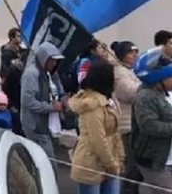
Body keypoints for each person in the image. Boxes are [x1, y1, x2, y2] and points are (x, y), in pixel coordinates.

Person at [69, 60, 124, 194]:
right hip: (90, 162)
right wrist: (111, 164)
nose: (116, 80)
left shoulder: (109, 99)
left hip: (110, 158)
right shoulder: (92, 105)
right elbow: (97, 139)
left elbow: (115, 132)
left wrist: (120, 157)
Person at [20, 41, 67, 172]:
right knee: (49, 167)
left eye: (56, 61)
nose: (54, 64)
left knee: (44, 164)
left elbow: (60, 91)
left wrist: (64, 100)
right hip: (37, 127)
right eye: (51, 60)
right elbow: (27, 101)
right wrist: (51, 107)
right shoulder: (31, 74)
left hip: (52, 125)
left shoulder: (52, 74)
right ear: (43, 58)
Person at [131, 47, 172, 192]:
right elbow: (149, 126)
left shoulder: (163, 93)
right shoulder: (145, 97)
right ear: (159, 79)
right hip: (156, 161)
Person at [110, 41, 142, 194]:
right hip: (126, 126)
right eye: (131, 52)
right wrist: (147, 86)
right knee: (130, 167)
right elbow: (129, 93)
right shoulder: (119, 72)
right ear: (123, 55)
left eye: (136, 52)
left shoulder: (130, 70)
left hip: (133, 124)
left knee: (134, 166)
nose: (135, 55)